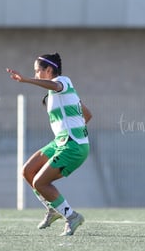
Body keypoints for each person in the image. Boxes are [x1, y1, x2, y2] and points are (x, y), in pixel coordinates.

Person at [6, 53, 91, 236]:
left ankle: (71, 216)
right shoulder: (63, 95)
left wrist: (26, 80)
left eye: (38, 71)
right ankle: (53, 209)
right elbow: (87, 115)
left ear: (49, 70)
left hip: (73, 145)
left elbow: (56, 85)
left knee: (40, 182)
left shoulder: (63, 81)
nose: (36, 74)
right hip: (61, 141)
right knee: (27, 171)